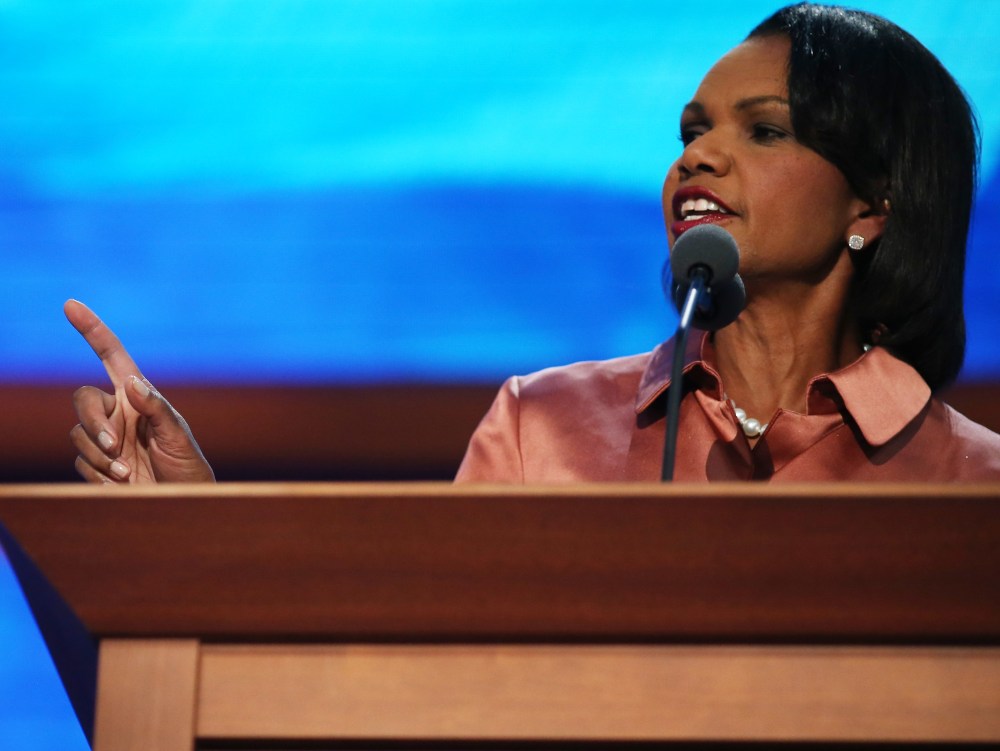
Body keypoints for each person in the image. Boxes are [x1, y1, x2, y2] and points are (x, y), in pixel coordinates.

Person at [67, 3, 1000, 484]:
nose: (699, 158)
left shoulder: (971, 484)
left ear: (870, 207)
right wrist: (190, 523)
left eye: (761, 131)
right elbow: (405, 681)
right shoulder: (542, 426)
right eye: (689, 132)